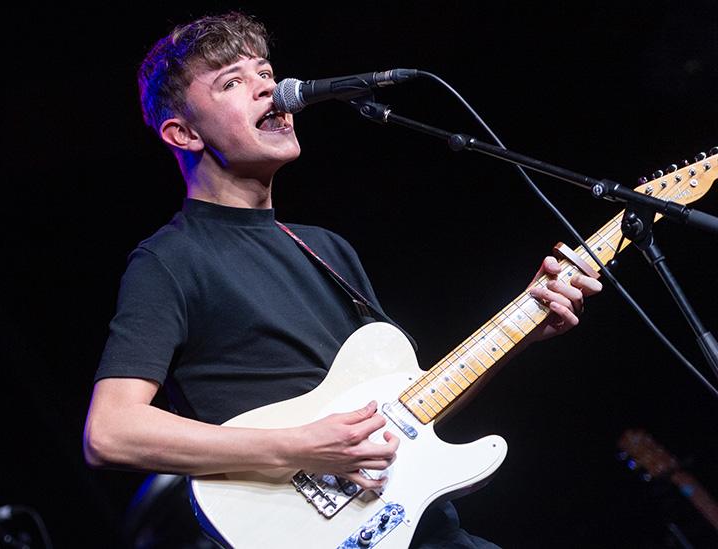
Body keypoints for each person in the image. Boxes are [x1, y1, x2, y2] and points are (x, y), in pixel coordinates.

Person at [83, 11, 602, 548]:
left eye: (265, 72)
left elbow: (405, 414)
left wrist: (525, 327)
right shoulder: (170, 259)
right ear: (183, 133)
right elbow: (111, 432)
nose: (269, 90)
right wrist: (302, 446)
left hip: (423, 530)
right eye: (232, 82)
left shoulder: (325, 248)